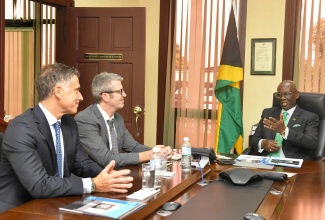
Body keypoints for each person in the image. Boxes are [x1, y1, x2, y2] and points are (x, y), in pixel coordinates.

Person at [0, 63, 133, 213]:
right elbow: (39, 185)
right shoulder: (21, 128)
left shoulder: (69, 123)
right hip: (19, 209)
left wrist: (109, 176)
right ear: (58, 91)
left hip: (57, 202)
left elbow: (81, 163)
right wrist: (94, 184)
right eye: (76, 90)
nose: (81, 97)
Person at [75, 72, 172, 168]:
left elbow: (133, 147)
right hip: (95, 178)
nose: (124, 95)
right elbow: (106, 159)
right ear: (105, 96)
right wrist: (150, 155)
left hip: (116, 175)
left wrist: (159, 152)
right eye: (120, 91)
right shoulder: (85, 120)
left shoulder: (118, 118)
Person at [250, 80, 319, 160]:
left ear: (296, 94)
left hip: (292, 164)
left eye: (286, 94)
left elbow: (311, 143)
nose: (282, 98)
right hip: (267, 162)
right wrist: (263, 143)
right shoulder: (268, 113)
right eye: (279, 95)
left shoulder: (309, 117)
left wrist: (284, 131)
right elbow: (254, 139)